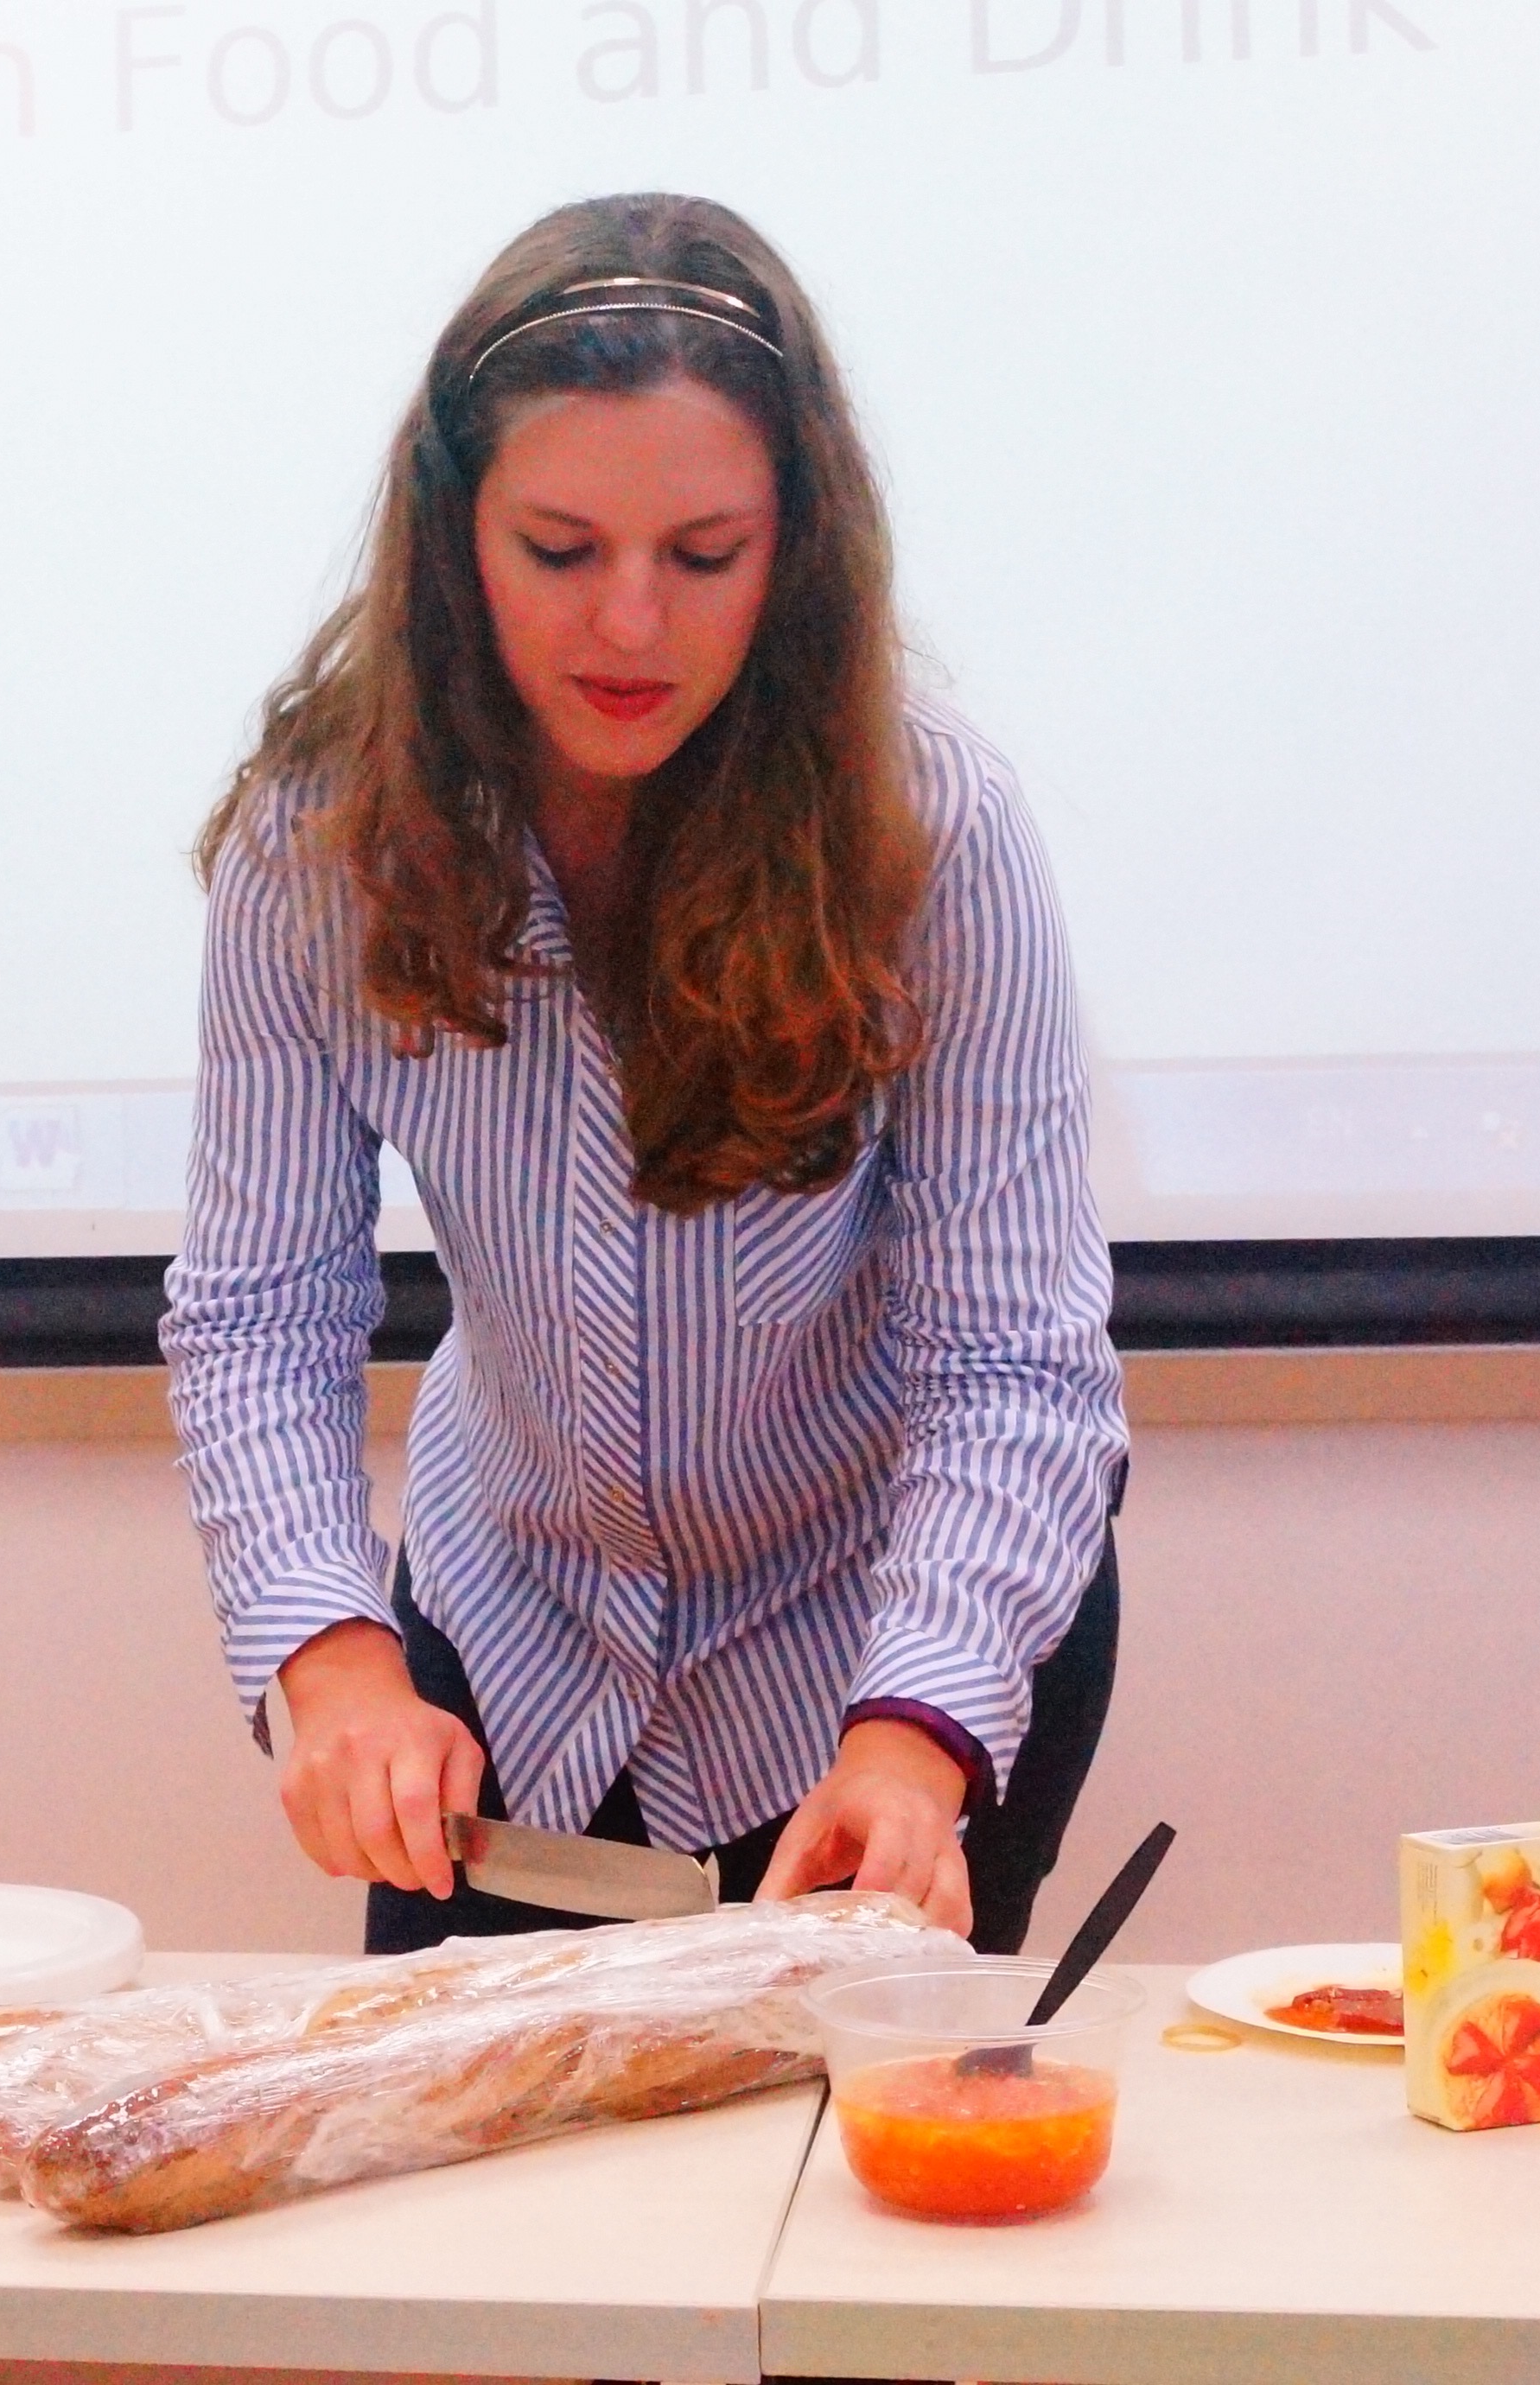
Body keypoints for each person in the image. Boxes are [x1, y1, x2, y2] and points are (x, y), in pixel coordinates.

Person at [161, 193, 1128, 1957]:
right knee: (456, 2130)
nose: (628, 622)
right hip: (509, 1639)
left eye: (702, 555)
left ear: (794, 549)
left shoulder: (934, 827)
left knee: (846, 2135)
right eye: (557, 549)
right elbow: (259, 1311)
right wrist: (334, 1658)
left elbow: (1010, 1357)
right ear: (455, 538)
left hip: (886, 1640)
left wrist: (913, 1739)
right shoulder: (321, 844)